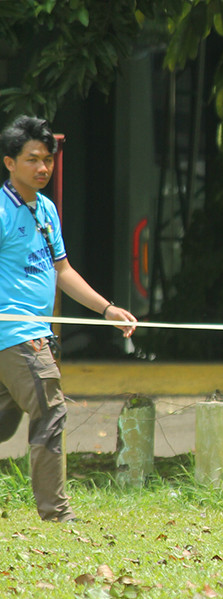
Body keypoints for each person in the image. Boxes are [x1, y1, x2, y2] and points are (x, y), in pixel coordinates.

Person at [0, 115, 137, 522]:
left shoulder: (46, 210)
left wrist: (107, 309)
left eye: (48, 159)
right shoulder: (3, 211)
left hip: (33, 334)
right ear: (10, 162)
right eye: (32, 159)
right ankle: (56, 513)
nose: (42, 168)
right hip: (16, 334)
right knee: (50, 409)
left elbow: (62, 270)